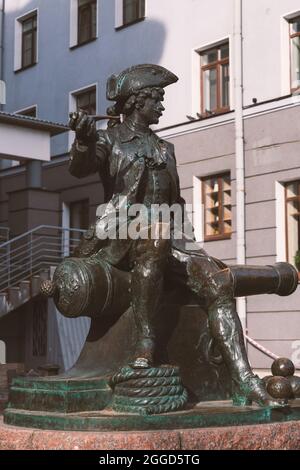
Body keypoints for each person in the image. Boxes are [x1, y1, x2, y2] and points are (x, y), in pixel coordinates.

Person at [69, 64, 282, 407]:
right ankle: (145, 345)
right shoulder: (109, 140)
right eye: (158, 100)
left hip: (170, 236)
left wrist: (193, 247)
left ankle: (243, 380)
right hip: (123, 235)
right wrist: (82, 139)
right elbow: (80, 167)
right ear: (139, 101)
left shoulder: (166, 148)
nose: (163, 107)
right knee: (155, 236)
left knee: (218, 280)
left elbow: (176, 202)